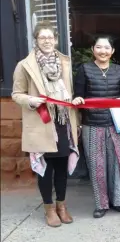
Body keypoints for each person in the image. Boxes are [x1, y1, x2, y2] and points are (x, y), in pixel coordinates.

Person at [12, 20, 79, 228]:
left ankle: (61, 205)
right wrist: (31, 101)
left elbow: (69, 92)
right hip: (42, 122)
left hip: (63, 122)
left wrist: (74, 102)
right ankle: (49, 208)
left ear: (56, 40)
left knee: (61, 166)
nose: (47, 41)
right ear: (36, 40)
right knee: (45, 169)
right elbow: (16, 94)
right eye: (43, 38)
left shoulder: (64, 62)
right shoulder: (25, 65)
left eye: (50, 37)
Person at [72, 35, 120, 218]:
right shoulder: (84, 69)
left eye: (107, 48)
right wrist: (77, 99)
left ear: (112, 51)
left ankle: (118, 201)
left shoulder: (119, 70)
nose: (103, 51)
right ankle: (101, 204)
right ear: (93, 49)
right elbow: (78, 95)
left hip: (115, 123)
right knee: (96, 165)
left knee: (117, 163)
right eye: (99, 47)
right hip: (91, 125)